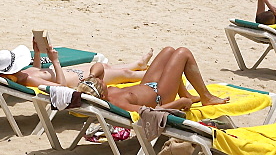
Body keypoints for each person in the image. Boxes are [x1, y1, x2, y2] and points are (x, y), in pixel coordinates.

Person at [75, 46, 229, 113]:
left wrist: (92, 77)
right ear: (101, 95)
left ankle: (186, 94)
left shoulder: (105, 93)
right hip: (161, 96)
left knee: (168, 51)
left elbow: (99, 66)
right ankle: (206, 97)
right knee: (183, 53)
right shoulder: (117, 102)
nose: (104, 81)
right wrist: (180, 103)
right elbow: (152, 112)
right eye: (101, 83)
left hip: (148, 85)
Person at [0, 39, 153, 88]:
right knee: (125, 75)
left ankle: (138, 63)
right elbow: (60, 86)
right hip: (80, 79)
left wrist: (38, 52)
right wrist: (55, 61)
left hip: (74, 71)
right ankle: (154, 73)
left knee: (107, 67)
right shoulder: (28, 80)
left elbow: (36, 68)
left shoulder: (23, 74)